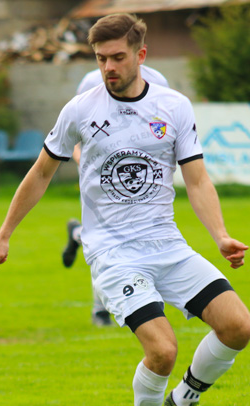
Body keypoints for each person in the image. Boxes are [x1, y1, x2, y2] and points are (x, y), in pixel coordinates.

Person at [0, 14, 250, 406]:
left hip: (167, 246)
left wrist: (221, 236)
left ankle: (185, 401)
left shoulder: (174, 107)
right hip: (113, 253)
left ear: (140, 55)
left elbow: (197, 180)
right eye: (100, 58)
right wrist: (4, 234)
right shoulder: (80, 110)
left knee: (238, 327)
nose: (109, 66)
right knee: (162, 349)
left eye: (117, 57)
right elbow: (41, 173)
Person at [63, 64, 171, 327]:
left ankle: (77, 234)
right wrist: (85, 165)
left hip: (139, 178)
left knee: (140, 237)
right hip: (100, 180)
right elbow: (77, 134)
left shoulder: (158, 81)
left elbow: (163, 127)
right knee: (104, 241)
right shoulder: (91, 82)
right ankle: (100, 309)